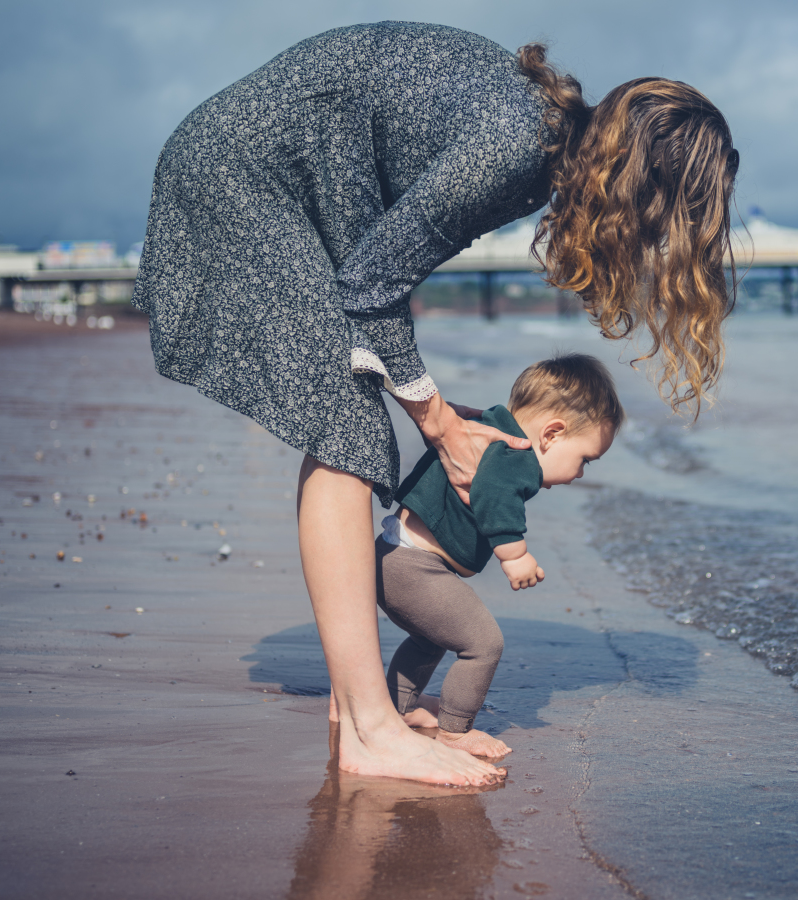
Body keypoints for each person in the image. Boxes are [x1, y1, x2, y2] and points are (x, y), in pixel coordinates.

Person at [132, 21, 738, 786]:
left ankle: (358, 709)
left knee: (349, 419)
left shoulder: (538, 140)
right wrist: (440, 420)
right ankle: (369, 727)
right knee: (350, 427)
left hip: (285, 181)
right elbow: (373, 283)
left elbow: (380, 270)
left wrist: (429, 404)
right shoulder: (517, 147)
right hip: (245, 173)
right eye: (665, 219)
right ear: (641, 183)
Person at [373, 353, 623, 759]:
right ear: (552, 434)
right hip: (415, 567)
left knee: (430, 640)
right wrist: (515, 555)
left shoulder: (486, 427)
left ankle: (397, 707)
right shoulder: (514, 456)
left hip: (396, 558)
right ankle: (456, 731)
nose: (579, 474)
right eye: (584, 461)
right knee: (483, 644)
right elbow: (494, 494)